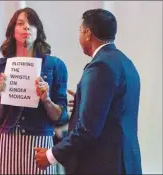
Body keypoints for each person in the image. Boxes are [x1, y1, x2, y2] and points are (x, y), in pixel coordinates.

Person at [35, 8, 142, 175]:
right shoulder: (125, 62)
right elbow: (115, 107)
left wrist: (50, 155)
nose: (79, 37)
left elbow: (88, 130)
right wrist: (83, 102)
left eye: (79, 31)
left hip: (103, 165)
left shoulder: (100, 66)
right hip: (126, 162)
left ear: (87, 33)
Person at [0, 7, 68, 175]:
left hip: (40, 144)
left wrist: (46, 100)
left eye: (32, 24)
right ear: (12, 31)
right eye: (21, 23)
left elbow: (61, 117)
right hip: (8, 141)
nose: (26, 27)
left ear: (38, 32)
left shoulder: (55, 66)